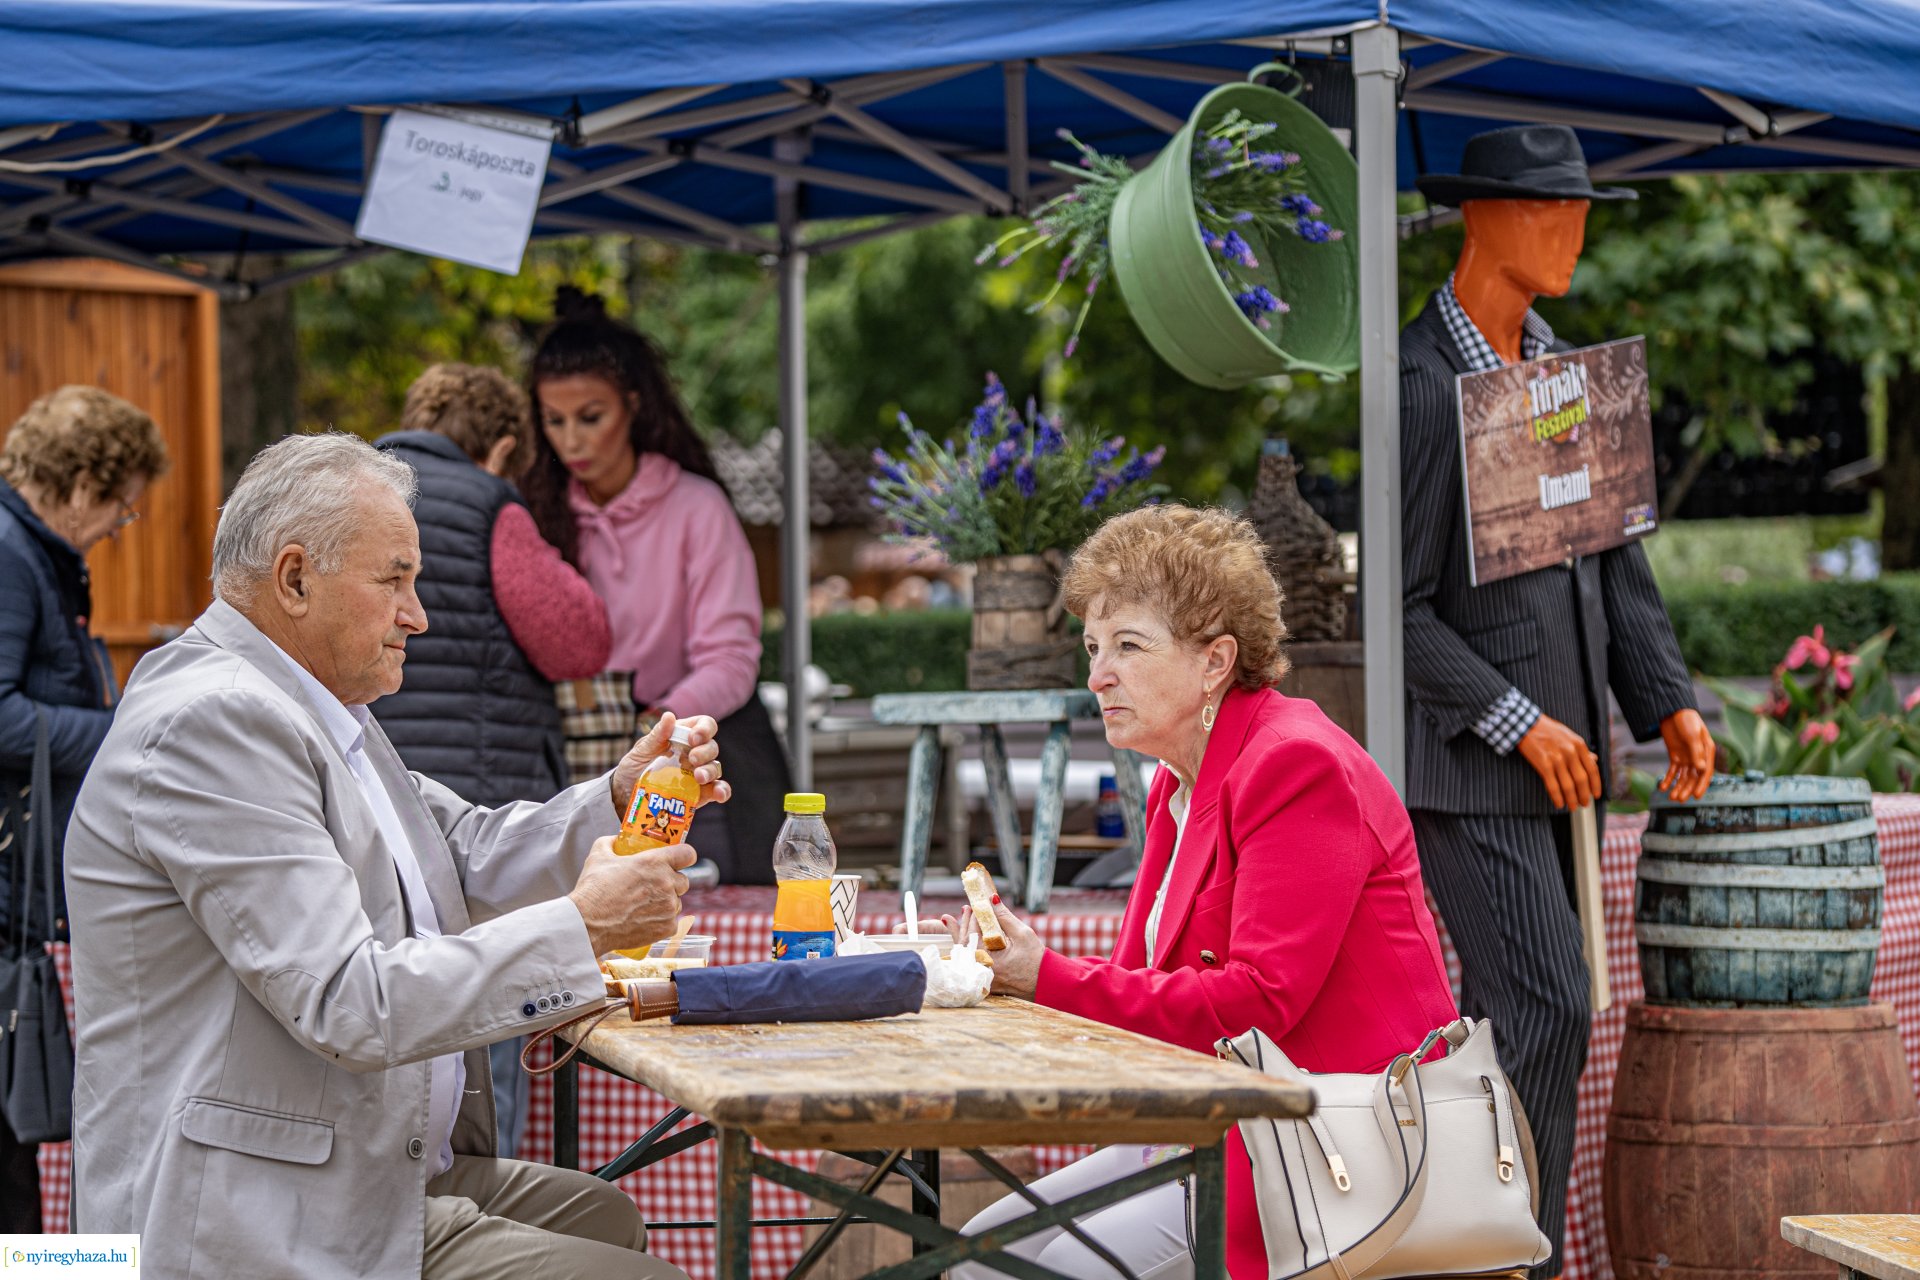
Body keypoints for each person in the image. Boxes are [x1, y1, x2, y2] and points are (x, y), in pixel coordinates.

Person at [63, 432, 725, 1279]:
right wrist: (582, 928)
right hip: (250, 1212)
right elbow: (349, 1001)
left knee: (608, 1217)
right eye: (395, 581)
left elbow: (458, 853)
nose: (418, 614)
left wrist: (616, 799)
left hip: (348, 1163)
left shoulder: (307, 704)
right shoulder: (218, 719)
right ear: (296, 579)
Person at [951, 504, 1459, 1280]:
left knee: (1037, 1271)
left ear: (1216, 659)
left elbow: (1255, 1004)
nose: (1097, 676)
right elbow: (1144, 989)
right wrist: (1007, 976)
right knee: (982, 1255)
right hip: (1229, 1127)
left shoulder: (1295, 764)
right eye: (1092, 647)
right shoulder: (1178, 781)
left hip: (1338, 1147)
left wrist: (1043, 975)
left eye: (1128, 645)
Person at [1401, 124, 1716, 1277]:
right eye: (1551, 207)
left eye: (1584, 208)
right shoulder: (1419, 389)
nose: (1574, 229)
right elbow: (1393, 610)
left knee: (1528, 1023)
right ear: (1483, 218)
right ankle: (1498, 1259)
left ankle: (1480, 1250)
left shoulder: (1566, 373)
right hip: (1471, 769)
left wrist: (1669, 699)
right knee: (1545, 1011)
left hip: (1573, 770)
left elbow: (1617, 561)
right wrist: (1514, 719)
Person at [370, 362, 613, 1158]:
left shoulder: (354, 495)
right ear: (505, 446)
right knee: (482, 1037)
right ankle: (473, 1211)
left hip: (370, 798)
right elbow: (578, 639)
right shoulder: (490, 506)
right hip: (473, 802)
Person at [523, 286, 790, 883]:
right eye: (554, 421)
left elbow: (731, 658)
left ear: (634, 406)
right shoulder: (537, 516)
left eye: (591, 418)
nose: (572, 440)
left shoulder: (697, 507)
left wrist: (658, 727)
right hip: (584, 763)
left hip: (700, 753)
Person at [0, 385, 168, 1232]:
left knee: (26, 1147)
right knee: (14, 1159)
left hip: (17, 899)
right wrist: (116, 731)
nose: (117, 526)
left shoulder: (35, 554)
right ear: (81, 484)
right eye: (122, 509)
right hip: (4, 899)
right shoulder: (10, 553)